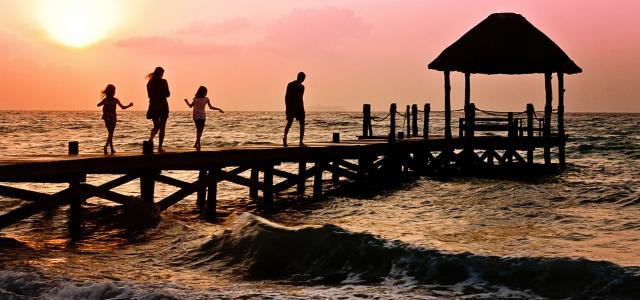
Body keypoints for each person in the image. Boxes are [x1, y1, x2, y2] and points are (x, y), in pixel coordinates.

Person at [184, 86, 224, 151]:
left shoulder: (197, 99)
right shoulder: (204, 99)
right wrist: (218, 109)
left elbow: (190, 106)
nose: (206, 93)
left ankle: (197, 143)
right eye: (206, 92)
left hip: (197, 115)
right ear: (203, 92)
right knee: (200, 130)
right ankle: (197, 143)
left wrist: (218, 109)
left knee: (199, 130)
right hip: (200, 116)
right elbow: (211, 107)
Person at [97, 84, 133, 154]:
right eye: (114, 91)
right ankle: (105, 147)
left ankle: (112, 149)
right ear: (112, 92)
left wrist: (103, 103)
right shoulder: (115, 100)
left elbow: (98, 105)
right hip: (112, 118)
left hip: (106, 118)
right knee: (111, 133)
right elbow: (123, 107)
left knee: (110, 133)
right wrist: (129, 105)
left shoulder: (105, 100)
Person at [146, 66, 170, 153]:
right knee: (162, 127)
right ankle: (159, 147)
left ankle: (150, 139)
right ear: (161, 74)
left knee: (156, 126)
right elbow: (168, 94)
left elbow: (149, 95)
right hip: (163, 105)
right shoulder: (164, 81)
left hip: (153, 106)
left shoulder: (149, 83)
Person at [283, 72, 306, 147]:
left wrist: (287, 107)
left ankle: (288, 138)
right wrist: (287, 108)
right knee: (295, 123)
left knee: (293, 123)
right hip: (295, 106)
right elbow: (288, 97)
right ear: (300, 78)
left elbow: (287, 97)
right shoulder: (296, 86)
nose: (303, 80)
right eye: (303, 78)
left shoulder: (295, 85)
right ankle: (298, 141)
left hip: (295, 106)